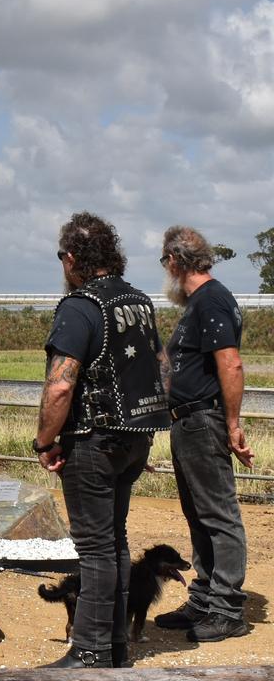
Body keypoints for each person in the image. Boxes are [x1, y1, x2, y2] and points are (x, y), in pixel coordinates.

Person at [34, 212, 169, 669]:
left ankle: (89, 650)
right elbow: (161, 368)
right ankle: (116, 646)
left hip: (92, 440)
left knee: (94, 548)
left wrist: (43, 441)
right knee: (116, 541)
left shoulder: (79, 306)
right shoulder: (141, 301)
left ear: (71, 258)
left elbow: (59, 385)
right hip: (134, 438)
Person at [154, 226, 254, 642]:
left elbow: (229, 364)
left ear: (175, 262)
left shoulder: (210, 300)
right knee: (200, 514)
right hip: (190, 420)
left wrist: (231, 424)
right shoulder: (205, 302)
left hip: (201, 420)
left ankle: (227, 608)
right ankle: (204, 598)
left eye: (165, 263)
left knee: (218, 514)